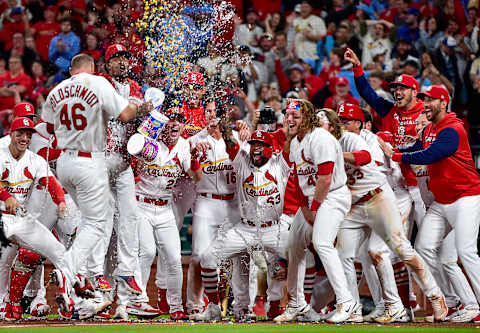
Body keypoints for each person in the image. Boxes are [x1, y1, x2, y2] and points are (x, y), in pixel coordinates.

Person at [41, 54, 147, 317]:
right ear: (92, 67)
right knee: (97, 223)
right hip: (90, 161)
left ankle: (78, 283)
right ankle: (69, 272)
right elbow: (125, 114)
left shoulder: (56, 90)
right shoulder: (97, 82)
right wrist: (141, 105)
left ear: (71, 69)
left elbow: (48, 126)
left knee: (92, 218)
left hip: (64, 163)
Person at [334, 103, 448, 323]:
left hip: (384, 197)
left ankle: (434, 296)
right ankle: (367, 307)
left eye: (345, 121)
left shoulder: (371, 141)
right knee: (351, 255)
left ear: (359, 124)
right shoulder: (339, 140)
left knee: (384, 250)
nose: (342, 125)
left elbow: (366, 164)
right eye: (339, 121)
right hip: (359, 203)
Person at [384, 85, 480, 323]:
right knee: (425, 249)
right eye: (424, 100)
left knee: (466, 252)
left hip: (465, 197)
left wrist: (395, 155)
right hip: (441, 201)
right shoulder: (430, 129)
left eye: (431, 100)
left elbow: (430, 155)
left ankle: (474, 305)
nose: (425, 104)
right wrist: (395, 149)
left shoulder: (453, 129)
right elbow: (417, 148)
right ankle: (455, 303)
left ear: (444, 102)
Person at [0, 117, 110, 319]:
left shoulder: (35, 160)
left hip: (20, 219)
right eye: (20, 133)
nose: (24, 138)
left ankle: (82, 299)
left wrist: (60, 201)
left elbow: (51, 182)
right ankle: (7, 304)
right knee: (4, 259)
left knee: (59, 251)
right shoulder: (0, 153)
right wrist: (6, 197)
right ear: (11, 134)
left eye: (28, 134)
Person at [193, 123, 291, 322]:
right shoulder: (242, 161)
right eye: (253, 143)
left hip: (275, 228)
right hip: (244, 228)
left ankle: (289, 304)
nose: (255, 148)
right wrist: (229, 126)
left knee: (299, 258)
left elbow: (289, 137)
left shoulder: (280, 163)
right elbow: (231, 143)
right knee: (207, 258)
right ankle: (214, 306)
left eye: (261, 144)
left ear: (270, 149)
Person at [274, 99, 355, 323]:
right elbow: (298, 180)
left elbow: (326, 178)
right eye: (287, 115)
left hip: (333, 196)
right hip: (311, 198)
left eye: (295, 116)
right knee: (293, 248)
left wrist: (315, 208)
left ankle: (346, 302)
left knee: (321, 243)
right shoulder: (296, 143)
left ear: (308, 118)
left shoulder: (321, 139)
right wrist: (305, 208)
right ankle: (296, 304)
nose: (289, 120)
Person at [132, 107, 204, 321]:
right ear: (162, 123)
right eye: (171, 119)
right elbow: (132, 168)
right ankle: (139, 301)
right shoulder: (148, 140)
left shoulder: (184, 146)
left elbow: (196, 177)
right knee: (146, 252)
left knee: (173, 257)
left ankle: (175, 306)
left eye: (179, 120)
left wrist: (194, 159)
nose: (175, 124)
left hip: (164, 208)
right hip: (141, 205)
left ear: (184, 125)